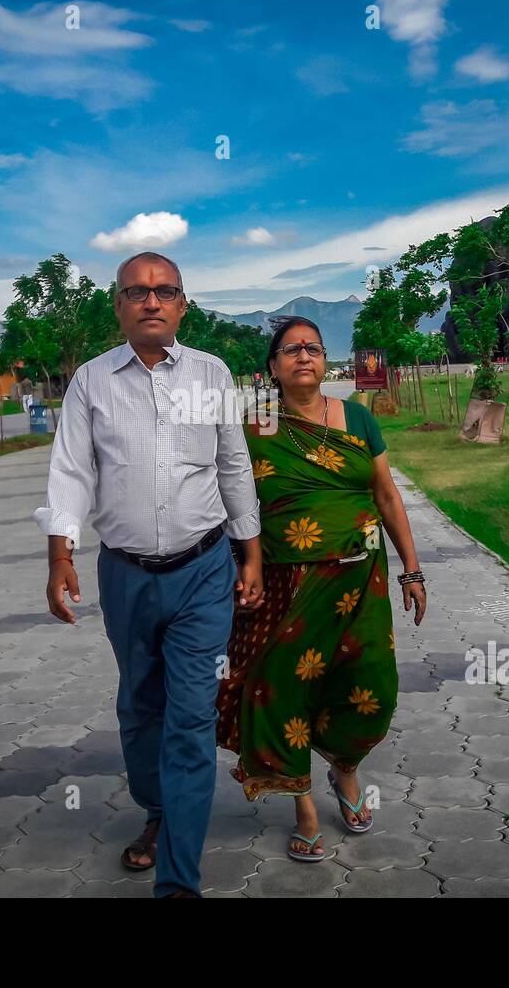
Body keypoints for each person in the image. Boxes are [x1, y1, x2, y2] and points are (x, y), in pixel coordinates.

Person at [35, 251, 264, 898]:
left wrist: (251, 551)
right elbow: (72, 471)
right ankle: (157, 807)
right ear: (119, 305)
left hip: (203, 571)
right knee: (140, 706)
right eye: (137, 291)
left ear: (183, 304)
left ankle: (179, 881)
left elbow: (233, 465)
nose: (152, 301)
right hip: (125, 575)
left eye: (164, 291)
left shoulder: (213, 374)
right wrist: (60, 555)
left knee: (190, 720)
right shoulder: (91, 381)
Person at [216, 316, 427, 861]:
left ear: (325, 359)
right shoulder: (254, 424)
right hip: (287, 583)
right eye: (290, 349)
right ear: (273, 366)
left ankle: (346, 769)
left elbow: (386, 495)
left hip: (363, 579)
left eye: (312, 347)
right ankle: (303, 804)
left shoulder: (357, 417)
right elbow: (236, 502)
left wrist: (413, 568)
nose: (303, 356)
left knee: (371, 688)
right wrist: (245, 565)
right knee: (283, 691)